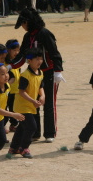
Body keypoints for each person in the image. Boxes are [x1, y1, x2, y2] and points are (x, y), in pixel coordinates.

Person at [11, 8, 64, 143]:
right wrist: (10, 66)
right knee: (34, 103)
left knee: (49, 103)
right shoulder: (27, 36)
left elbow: (55, 53)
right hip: (34, 74)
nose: (22, 27)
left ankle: (50, 132)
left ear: (28, 22)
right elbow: (23, 56)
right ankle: (35, 132)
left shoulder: (45, 34)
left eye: (23, 24)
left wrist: (58, 71)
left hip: (49, 72)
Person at [7, 47, 45, 159]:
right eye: (36, 59)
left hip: (30, 106)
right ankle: (24, 148)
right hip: (22, 106)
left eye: (40, 58)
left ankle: (13, 147)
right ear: (29, 61)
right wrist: (33, 100)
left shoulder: (40, 73)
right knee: (32, 127)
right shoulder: (25, 75)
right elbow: (21, 92)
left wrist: (42, 96)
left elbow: (40, 87)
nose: (39, 61)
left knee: (22, 127)